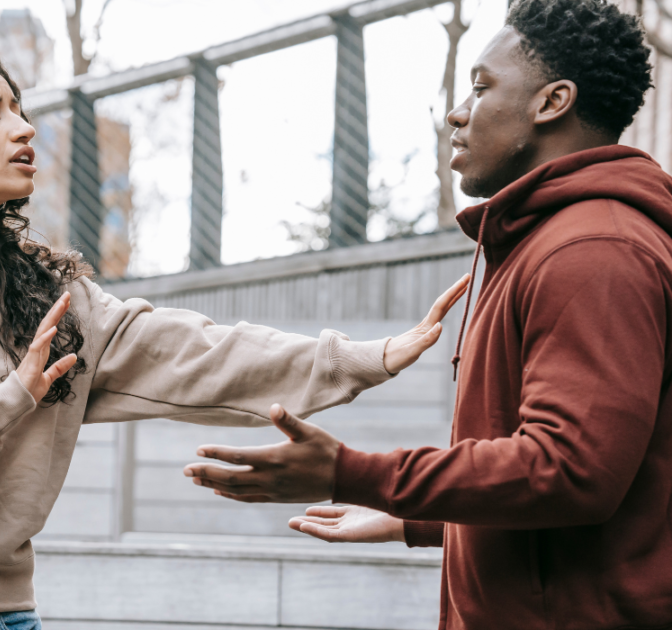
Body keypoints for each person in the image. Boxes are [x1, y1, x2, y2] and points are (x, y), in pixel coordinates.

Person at [0, 46, 468, 630]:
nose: (23, 128)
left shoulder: (54, 300)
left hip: (7, 613)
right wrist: (8, 400)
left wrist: (363, 357)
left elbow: (196, 353)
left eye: (20, 109)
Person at [184, 1, 672, 628]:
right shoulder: (546, 241)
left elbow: (569, 471)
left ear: (552, 102)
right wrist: (417, 519)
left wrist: (351, 473)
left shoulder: (593, 251)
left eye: (481, 86)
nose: (457, 112)